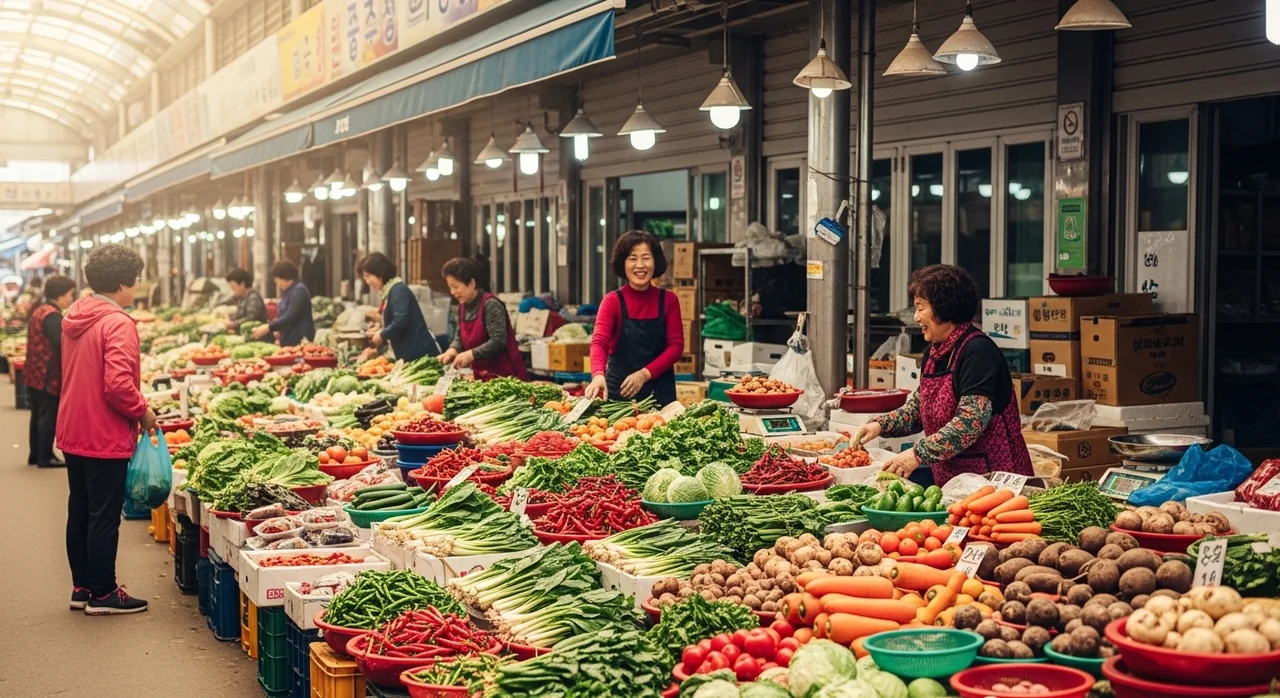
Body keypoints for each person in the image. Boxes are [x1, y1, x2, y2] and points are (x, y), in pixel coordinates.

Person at [851, 264, 1033, 486]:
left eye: (921, 308)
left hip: (994, 482)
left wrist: (916, 454)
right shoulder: (936, 351)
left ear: (943, 309)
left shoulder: (977, 352)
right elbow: (919, 409)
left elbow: (970, 423)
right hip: (953, 481)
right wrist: (879, 425)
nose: (916, 317)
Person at [57, 244, 155, 615]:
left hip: (73, 426)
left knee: (80, 509)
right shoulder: (117, 322)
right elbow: (117, 384)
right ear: (122, 283)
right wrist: (142, 410)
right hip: (102, 431)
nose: (137, 286)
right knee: (103, 514)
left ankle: (82, 586)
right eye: (137, 280)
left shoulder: (76, 314)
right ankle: (103, 594)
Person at [584, 231, 683, 404]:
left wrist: (644, 374)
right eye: (632, 258)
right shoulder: (612, 301)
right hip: (620, 396)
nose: (640, 265)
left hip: (660, 394)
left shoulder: (669, 300)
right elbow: (599, 341)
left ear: (655, 262)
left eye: (646, 258)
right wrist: (598, 374)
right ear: (623, 263)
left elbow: (676, 346)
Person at [438, 257, 526, 379]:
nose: (452, 292)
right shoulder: (463, 306)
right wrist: (453, 349)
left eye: (456, 286)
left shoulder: (490, 304)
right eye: (450, 287)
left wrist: (471, 354)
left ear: (471, 283)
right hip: (482, 376)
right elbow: (459, 336)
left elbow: (498, 340)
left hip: (506, 376)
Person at [25, 274, 75, 468]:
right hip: (47, 373)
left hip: (34, 371)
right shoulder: (52, 316)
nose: (71, 298)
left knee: (37, 412)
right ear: (61, 295)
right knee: (48, 413)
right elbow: (61, 344)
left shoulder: (40, 310)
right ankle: (45, 456)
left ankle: (35, 453)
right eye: (70, 294)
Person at [357, 253, 440, 361]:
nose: (367, 282)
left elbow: (401, 320)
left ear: (379, 273)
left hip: (419, 354)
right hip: (408, 353)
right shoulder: (390, 291)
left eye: (368, 276)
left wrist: (381, 335)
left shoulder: (398, 291)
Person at [253, 260, 314, 346]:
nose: (277, 284)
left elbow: (291, 315)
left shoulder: (299, 291)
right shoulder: (288, 291)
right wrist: (278, 329)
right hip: (289, 338)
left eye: (277, 280)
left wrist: (269, 327)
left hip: (299, 338)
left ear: (282, 278)